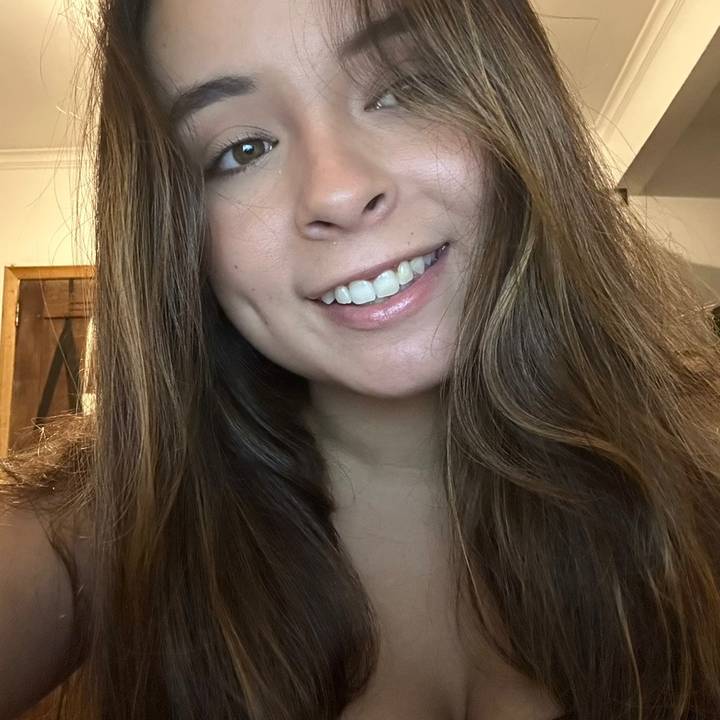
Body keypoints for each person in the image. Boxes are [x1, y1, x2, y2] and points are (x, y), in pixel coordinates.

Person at [1, 0, 720, 718]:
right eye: (242, 150)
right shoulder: (116, 522)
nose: (340, 192)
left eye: (403, 88)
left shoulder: (700, 458)